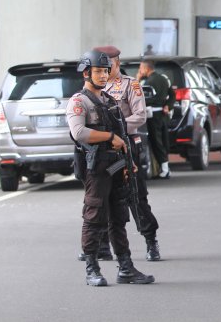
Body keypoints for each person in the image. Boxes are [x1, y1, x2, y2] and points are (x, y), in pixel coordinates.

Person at [66, 49, 154, 287]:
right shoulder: (79, 101)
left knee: (118, 217)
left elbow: (123, 137)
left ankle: (126, 267)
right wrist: (109, 137)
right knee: (94, 216)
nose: (103, 76)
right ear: (86, 73)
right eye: (98, 71)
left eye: (106, 71)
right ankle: (91, 268)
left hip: (117, 165)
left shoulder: (111, 101)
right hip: (96, 168)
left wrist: (130, 163)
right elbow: (79, 132)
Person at [97, 46, 162, 262]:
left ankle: (150, 240)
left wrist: (115, 127)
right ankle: (103, 245)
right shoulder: (95, 86)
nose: (105, 69)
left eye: (109, 63)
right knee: (103, 196)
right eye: (101, 65)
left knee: (135, 195)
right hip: (103, 149)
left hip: (126, 146)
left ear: (117, 62)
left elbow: (140, 116)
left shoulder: (130, 85)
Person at [137, 59, 171, 179]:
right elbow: (172, 94)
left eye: (141, 68)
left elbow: (139, 97)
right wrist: (168, 105)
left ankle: (165, 170)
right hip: (163, 114)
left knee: (156, 142)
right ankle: (165, 168)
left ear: (146, 69)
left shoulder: (148, 82)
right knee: (164, 140)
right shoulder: (164, 79)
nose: (140, 71)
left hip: (152, 114)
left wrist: (138, 79)